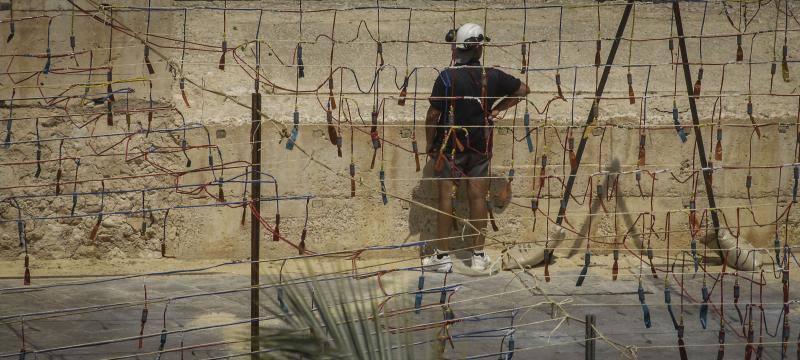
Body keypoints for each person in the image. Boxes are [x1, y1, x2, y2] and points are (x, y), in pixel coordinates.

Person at [423, 23, 530, 272]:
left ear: (458, 48)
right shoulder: (492, 75)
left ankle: (442, 258)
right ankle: (478, 256)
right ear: (479, 49)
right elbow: (524, 90)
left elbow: (433, 114)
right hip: (480, 146)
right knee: (478, 197)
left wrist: (430, 143)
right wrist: (497, 109)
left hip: (449, 147)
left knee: (444, 198)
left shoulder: (447, 77)